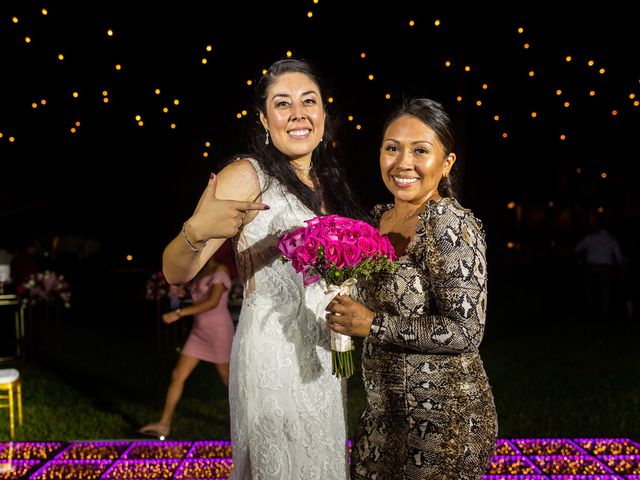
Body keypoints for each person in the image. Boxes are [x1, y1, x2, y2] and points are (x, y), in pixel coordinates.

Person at [161, 58, 364, 478]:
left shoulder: (327, 184)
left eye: (309, 101)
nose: (298, 114)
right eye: (282, 103)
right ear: (263, 118)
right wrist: (195, 231)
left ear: (325, 113)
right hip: (273, 356)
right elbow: (175, 271)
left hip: (321, 357)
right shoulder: (247, 175)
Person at [326, 97, 498, 479]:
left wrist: (374, 325)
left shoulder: (449, 224)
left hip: (444, 420)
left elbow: (467, 332)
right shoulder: (374, 221)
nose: (403, 163)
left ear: (447, 162)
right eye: (392, 148)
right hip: (382, 416)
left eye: (420, 150)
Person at [139, 247, 235, 438]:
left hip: (218, 332)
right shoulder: (201, 271)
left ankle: (249, 424)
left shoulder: (221, 270)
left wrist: (178, 314)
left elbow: (212, 302)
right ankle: (163, 425)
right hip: (199, 331)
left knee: (229, 381)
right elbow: (197, 297)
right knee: (177, 375)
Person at [574, 213, 623, 321]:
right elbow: (619, 256)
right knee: (605, 291)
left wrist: (579, 259)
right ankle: (603, 313)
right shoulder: (612, 239)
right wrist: (621, 267)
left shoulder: (590, 238)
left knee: (589, 289)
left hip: (591, 266)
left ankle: (589, 310)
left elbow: (576, 248)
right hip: (605, 267)